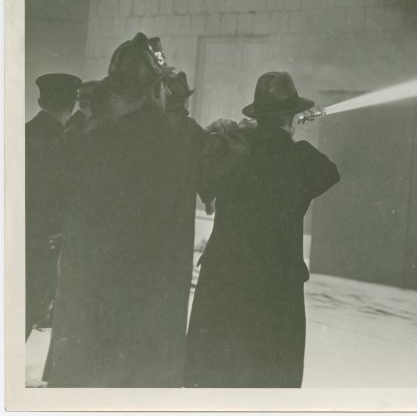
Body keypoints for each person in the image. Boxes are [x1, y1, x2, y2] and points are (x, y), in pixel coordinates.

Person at [45, 33, 202, 387]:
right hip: (143, 292)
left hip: (88, 288)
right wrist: (179, 104)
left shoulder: (81, 135)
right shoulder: (170, 135)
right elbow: (201, 155)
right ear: (153, 88)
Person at [184, 71, 340, 388]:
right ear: (290, 117)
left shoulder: (232, 153)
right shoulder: (301, 158)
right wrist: (288, 135)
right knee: (267, 383)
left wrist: (255, 136)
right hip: (275, 290)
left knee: (218, 382)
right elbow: (329, 172)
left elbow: (205, 180)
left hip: (225, 283)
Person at [26, 73, 81, 339]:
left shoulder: (22, 132)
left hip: (18, 235)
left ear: (40, 101)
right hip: (47, 239)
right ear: (73, 103)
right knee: (30, 306)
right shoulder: (67, 141)